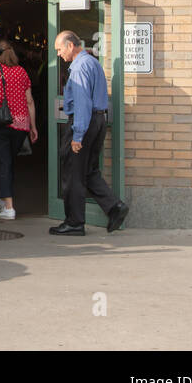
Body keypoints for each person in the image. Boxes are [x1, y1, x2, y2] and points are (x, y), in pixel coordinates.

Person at [52, 30, 128, 235]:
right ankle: (114, 207)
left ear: (70, 46)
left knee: (73, 173)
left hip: (83, 122)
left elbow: (82, 104)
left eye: (59, 50)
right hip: (98, 121)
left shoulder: (78, 68)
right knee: (89, 170)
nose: (58, 54)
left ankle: (75, 222)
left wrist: (77, 136)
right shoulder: (92, 62)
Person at [0, 39, 36, 220]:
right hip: (21, 125)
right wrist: (33, 126)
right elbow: (30, 101)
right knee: (7, 162)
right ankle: (3, 200)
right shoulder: (22, 72)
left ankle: (9, 207)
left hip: (0, 124)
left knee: (2, 164)